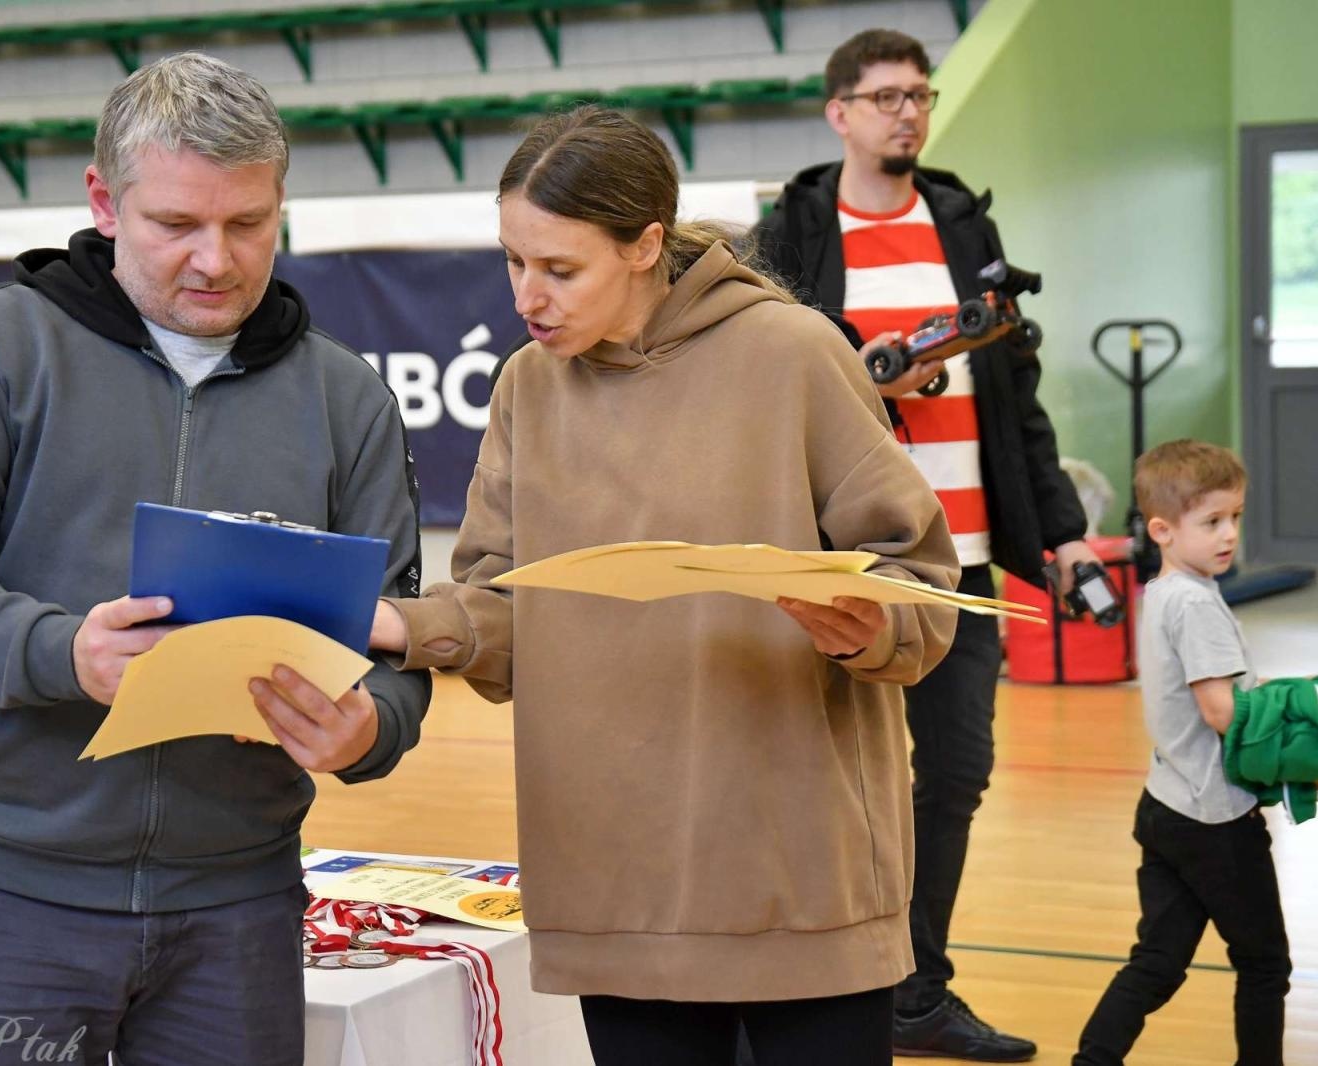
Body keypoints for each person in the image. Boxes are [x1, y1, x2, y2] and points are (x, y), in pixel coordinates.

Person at [0, 52, 429, 1066]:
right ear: (105, 201)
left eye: (249, 223)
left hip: (240, 909)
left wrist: (366, 729)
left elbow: (396, 633)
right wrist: (59, 651)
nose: (216, 259)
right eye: (177, 224)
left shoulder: (348, 400)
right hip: (13, 898)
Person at [368, 104, 960, 1065]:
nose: (528, 294)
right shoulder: (525, 385)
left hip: (794, 878)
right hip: (613, 882)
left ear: (646, 245)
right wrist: (401, 626)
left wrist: (864, 621)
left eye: (560, 269)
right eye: (514, 261)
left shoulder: (795, 354)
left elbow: (924, 584)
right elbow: (504, 611)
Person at [753, 28, 1097, 1061]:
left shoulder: (959, 220)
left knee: (952, 774)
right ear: (840, 113)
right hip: (849, 557)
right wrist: (867, 380)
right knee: (827, 785)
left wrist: (1066, 537)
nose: (908, 111)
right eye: (887, 95)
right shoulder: (795, 231)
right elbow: (765, 387)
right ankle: (813, 985)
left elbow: (1014, 398)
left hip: (967, 560)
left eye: (921, 94)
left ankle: (912, 991)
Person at [1072, 440, 1295, 1066]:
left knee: (1159, 962)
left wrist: (1292, 691)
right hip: (1217, 821)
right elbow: (1223, 712)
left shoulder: (1165, 590)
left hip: (1167, 806)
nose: (1229, 535)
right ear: (1164, 530)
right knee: (1264, 964)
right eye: (1212, 521)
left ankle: (1093, 1059)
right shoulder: (1198, 604)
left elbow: (1226, 691)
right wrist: (1297, 733)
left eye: (1236, 517)